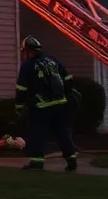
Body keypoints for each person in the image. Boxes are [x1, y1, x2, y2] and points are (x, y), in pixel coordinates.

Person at [15, 36, 78, 171]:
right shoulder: (53, 61)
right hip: (60, 105)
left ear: (28, 51)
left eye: (24, 52)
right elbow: (67, 79)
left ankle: (36, 163)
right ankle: (71, 160)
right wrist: (68, 96)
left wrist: (19, 106)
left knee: (37, 134)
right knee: (63, 133)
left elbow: (21, 88)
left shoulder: (28, 66)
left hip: (41, 107)